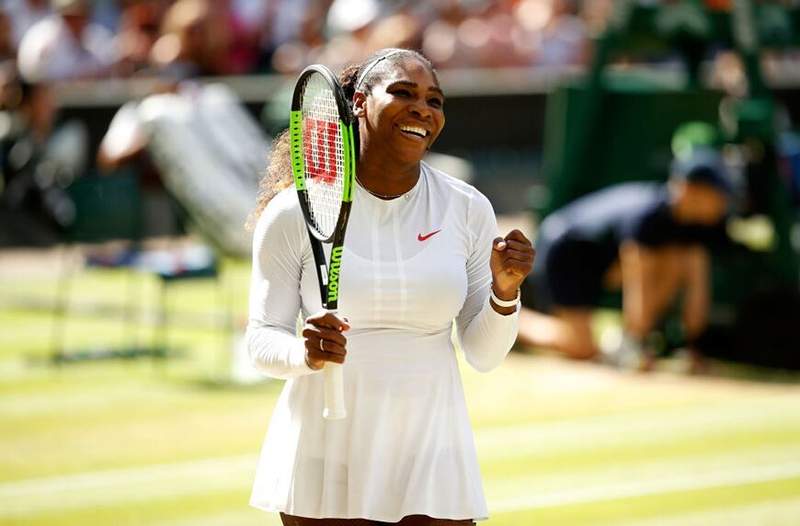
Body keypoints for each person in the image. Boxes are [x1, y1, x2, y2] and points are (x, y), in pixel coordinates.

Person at [246, 48, 534, 525]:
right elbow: (261, 338)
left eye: (435, 100)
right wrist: (306, 353)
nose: (422, 109)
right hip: (325, 449)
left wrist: (505, 292)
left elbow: (484, 355)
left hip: (434, 446)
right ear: (358, 102)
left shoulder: (467, 207)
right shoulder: (291, 212)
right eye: (402, 92)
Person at [518, 142, 733, 370]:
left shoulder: (695, 228)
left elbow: (696, 286)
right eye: (717, 195)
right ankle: (503, 320)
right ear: (691, 190)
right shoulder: (649, 217)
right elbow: (638, 283)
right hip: (566, 250)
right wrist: (635, 344)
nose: (723, 204)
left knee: (675, 261)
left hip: (600, 261)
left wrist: (694, 345)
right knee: (580, 347)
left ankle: (625, 341)